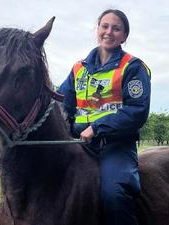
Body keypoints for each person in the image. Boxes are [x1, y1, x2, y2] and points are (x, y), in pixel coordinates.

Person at [58, 9, 151, 225]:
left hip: (116, 146)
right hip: (79, 145)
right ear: (97, 29)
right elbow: (62, 103)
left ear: (124, 36)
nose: (109, 32)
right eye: (105, 26)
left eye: (116, 28)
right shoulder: (78, 68)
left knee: (114, 195)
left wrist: (97, 128)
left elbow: (137, 111)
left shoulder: (133, 67)